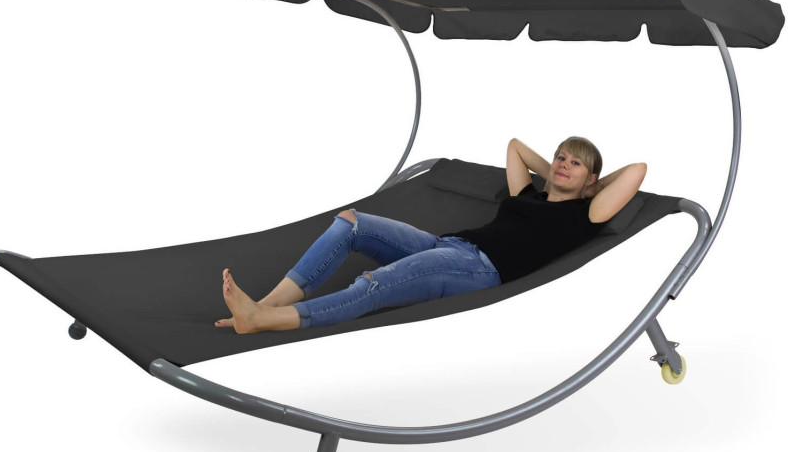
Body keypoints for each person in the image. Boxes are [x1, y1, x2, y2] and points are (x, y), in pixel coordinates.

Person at [215, 137, 647, 335]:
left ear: (592, 180)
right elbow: (515, 146)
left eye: (575, 163)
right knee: (351, 221)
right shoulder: (528, 195)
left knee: (373, 284)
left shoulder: (584, 213)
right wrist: (555, 173)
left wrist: (590, 186)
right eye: (560, 157)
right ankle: (265, 305)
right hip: (448, 245)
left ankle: (266, 321)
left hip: (478, 268)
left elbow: (637, 171)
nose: (563, 164)